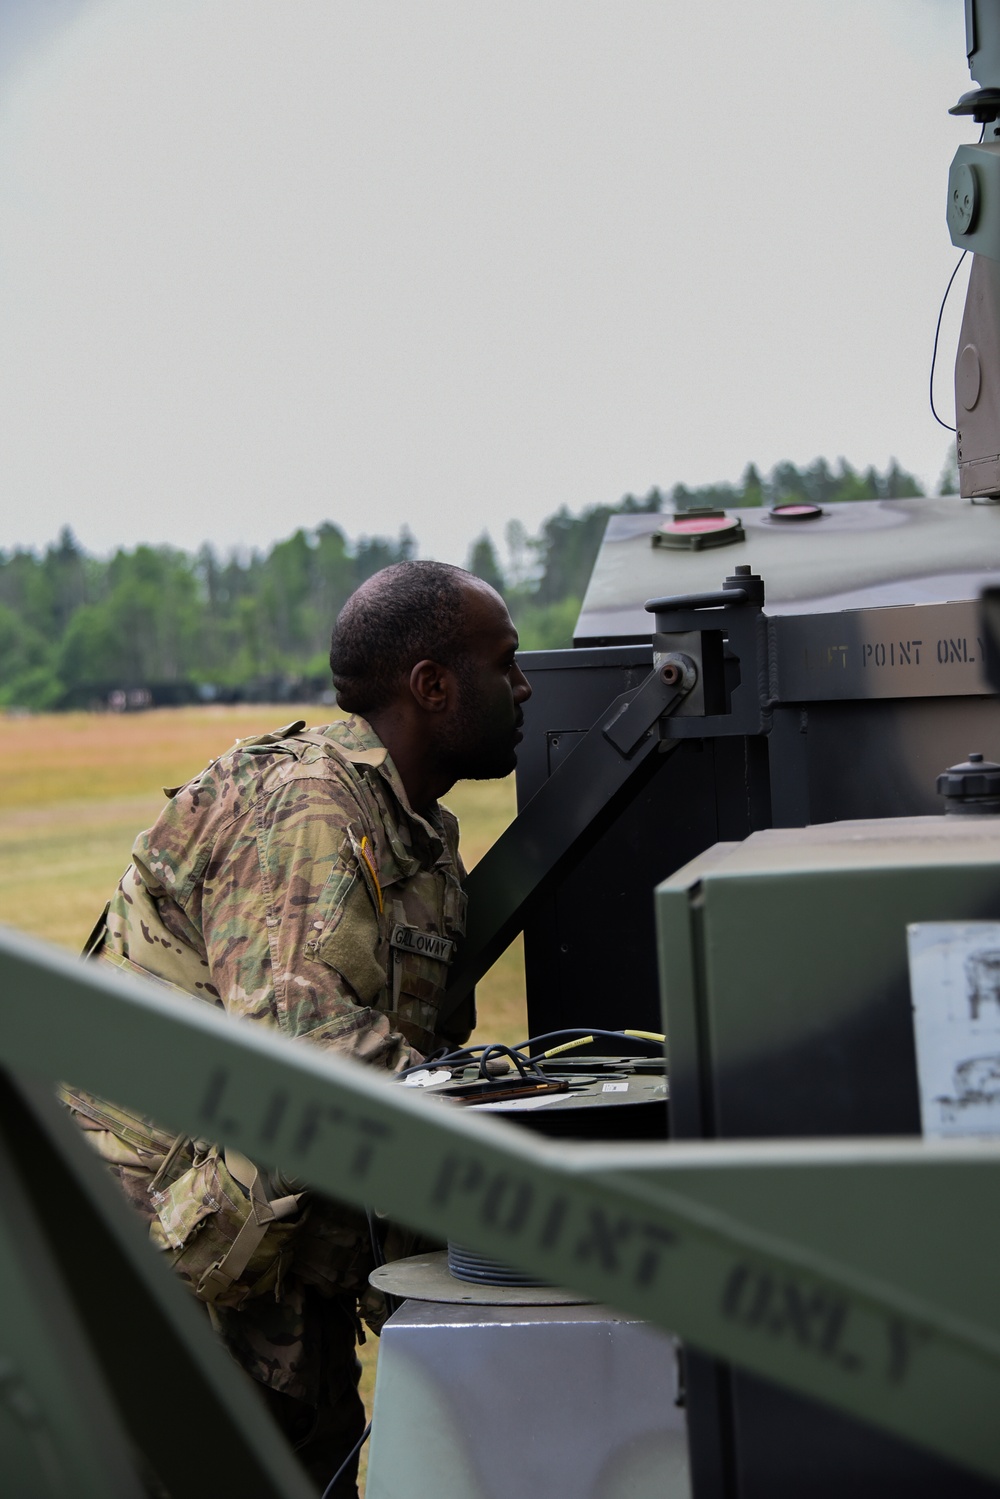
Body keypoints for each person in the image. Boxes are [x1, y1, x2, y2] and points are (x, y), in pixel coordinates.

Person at [61, 560, 532, 1496]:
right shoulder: (312, 806)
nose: (524, 688)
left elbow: (419, 1059)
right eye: (505, 663)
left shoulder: (418, 838)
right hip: (165, 1275)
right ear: (432, 685)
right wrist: (509, 1131)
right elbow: (305, 1052)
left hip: (271, 1276)